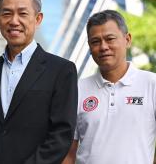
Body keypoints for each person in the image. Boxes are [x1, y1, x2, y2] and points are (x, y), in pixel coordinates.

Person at [0, 0, 78, 164]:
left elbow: (61, 135)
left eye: (22, 14)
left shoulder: (62, 71)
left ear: (38, 19)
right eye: (6, 13)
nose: (14, 21)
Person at [62, 10, 156, 164]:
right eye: (95, 41)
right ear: (89, 47)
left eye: (110, 39)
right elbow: (68, 154)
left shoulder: (152, 84)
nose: (103, 47)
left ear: (127, 39)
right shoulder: (77, 90)